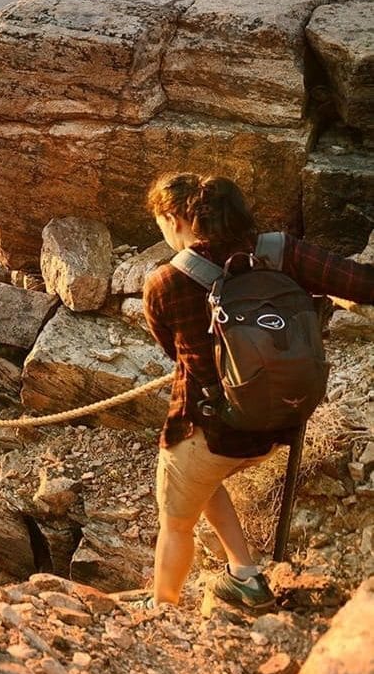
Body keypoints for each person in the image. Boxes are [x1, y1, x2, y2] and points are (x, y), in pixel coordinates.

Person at [142, 173, 374, 608]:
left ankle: (161, 610)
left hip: (208, 432)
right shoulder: (282, 252)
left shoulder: (164, 284)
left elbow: (171, 349)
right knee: (207, 484)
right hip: (282, 422)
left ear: (176, 218)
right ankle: (244, 575)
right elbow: (363, 284)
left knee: (175, 522)